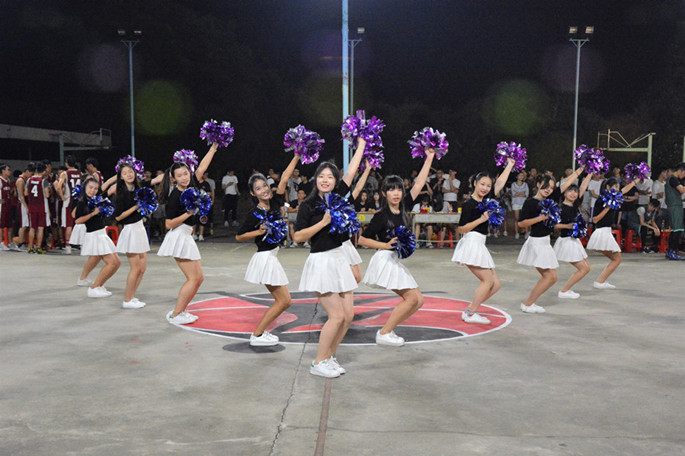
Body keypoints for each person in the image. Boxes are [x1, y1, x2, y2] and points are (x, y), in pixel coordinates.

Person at [292, 138, 366, 378]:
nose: (325, 180)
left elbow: (352, 171)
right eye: (321, 176)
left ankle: (328, 356)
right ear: (316, 179)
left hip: (339, 259)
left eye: (330, 177)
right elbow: (298, 237)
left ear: (336, 181)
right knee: (336, 316)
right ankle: (317, 363)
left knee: (348, 316)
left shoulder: (339, 198)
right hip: (321, 261)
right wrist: (323, 223)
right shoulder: (308, 205)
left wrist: (362, 143)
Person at [358, 149, 436, 343]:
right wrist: (385, 245)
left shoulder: (404, 207)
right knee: (412, 298)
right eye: (391, 190)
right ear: (384, 193)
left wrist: (429, 158)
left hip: (393, 259)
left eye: (399, 189)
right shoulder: (381, 215)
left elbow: (419, 183)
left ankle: (388, 331)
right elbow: (362, 240)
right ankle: (384, 333)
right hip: (384, 259)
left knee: (418, 300)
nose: (396, 193)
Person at [236, 154, 300, 346]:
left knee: (284, 301)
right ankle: (257, 335)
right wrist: (259, 231)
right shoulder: (254, 213)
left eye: (264, 185)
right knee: (284, 301)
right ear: (253, 193)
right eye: (258, 188)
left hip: (271, 256)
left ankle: (259, 334)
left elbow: (285, 177)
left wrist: (297, 155)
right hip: (265, 258)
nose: (263, 189)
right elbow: (239, 236)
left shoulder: (276, 202)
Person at [158, 143, 218, 324]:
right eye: (180, 175)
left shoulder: (190, 186)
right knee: (193, 278)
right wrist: (188, 213)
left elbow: (202, 168)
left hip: (186, 236)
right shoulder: (175, 196)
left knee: (198, 278)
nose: (184, 177)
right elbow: (168, 224)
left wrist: (213, 148)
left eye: (186, 173)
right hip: (178, 236)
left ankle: (181, 311)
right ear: (173, 178)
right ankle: (176, 314)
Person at [451, 159, 515, 323]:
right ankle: (471, 313)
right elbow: (461, 229)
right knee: (488, 281)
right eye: (482, 184)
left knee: (496, 285)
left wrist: (509, 165)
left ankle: (471, 309)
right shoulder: (469, 204)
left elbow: (499, 183)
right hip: (471, 243)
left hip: (480, 243)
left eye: (488, 185)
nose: (485, 188)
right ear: (475, 183)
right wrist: (481, 219)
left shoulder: (486, 200)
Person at [517, 168, 584, 313]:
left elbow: (566, 183)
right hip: (537, 242)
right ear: (538, 184)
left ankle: (529, 304)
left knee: (550, 277)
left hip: (545, 242)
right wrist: (540, 218)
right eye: (546, 186)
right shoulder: (530, 202)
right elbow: (521, 223)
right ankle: (528, 304)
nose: (548, 190)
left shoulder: (551, 200)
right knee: (551, 277)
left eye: (551, 188)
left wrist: (581, 170)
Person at [108, 160, 152, 309]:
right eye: (125, 173)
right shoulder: (121, 194)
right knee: (135, 268)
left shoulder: (139, 190)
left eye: (131, 172)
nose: (129, 175)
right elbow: (118, 217)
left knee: (142, 268)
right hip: (130, 230)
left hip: (140, 229)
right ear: (121, 176)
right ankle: (127, 299)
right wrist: (136, 207)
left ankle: (132, 295)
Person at [586, 176, 639, 287]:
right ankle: (600, 282)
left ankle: (600, 281)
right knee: (617, 259)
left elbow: (626, 189)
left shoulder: (614, 197)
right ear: (607, 187)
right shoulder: (601, 200)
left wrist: (637, 179)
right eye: (615, 186)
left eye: (618, 187)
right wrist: (607, 208)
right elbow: (595, 220)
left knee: (616, 259)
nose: (618, 189)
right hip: (601, 232)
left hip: (606, 231)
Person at [74, 176, 121, 298]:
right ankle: (95, 287)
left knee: (116, 262)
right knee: (112, 263)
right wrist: (93, 213)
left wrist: (119, 175)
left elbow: (109, 186)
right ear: (85, 187)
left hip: (101, 233)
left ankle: (90, 282)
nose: (92, 190)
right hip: (95, 235)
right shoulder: (82, 202)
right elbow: (77, 220)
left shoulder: (96, 199)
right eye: (90, 187)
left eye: (95, 188)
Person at [553, 173, 592, 299]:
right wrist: (567, 226)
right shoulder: (560, 208)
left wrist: (590, 172)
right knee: (584, 269)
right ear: (564, 193)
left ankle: (566, 290)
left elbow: (583, 187)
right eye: (570, 191)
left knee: (586, 268)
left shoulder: (575, 205)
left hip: (574, 241)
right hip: (566, 241)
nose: (573, 194)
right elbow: (553, 225)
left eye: (575, 191)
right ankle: (564, 291)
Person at [54, 156, 82, 255]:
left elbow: (58, 187)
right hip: (78, 201)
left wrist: (62, 197)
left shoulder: (65, 173)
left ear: (66, 163)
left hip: (69, 201)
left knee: (68, 225)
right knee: (79, 224)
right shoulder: (80, 174)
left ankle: (68, 246)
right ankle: (81, 245)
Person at [25, 162, 51, 254]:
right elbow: (47, 195)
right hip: (42, 207)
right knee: (40, 228)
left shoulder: (29, 180)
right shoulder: (44, 181)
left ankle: (30, 247)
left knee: (32, 228)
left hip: (32, 207)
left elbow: (26, 193)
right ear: (43, 171)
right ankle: (38, 247)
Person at [663, 163, 685, 260]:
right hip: (674, 207)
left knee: (676, 230)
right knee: (677, 230)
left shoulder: (673, 179)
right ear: (680, 171)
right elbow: (682, 190)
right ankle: (672, 252)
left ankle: (671, 252)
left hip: (675, 206)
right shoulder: (673, 179)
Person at [0, 164, 17, 251]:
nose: (9, 171)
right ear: (3, 171)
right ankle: (1, 243)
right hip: (1, 207)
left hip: (8, 206)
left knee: (10, 225)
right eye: (8, 169)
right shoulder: (0, 180)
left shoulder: (8, 180)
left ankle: (11, 243)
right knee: (1, 226)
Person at [510, 171, 529, 239]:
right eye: (520, 175)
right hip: (516, 203)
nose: (521, 177)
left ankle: (526, 232)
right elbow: (513, 194)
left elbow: (526, 194)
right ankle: (517, 232)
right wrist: (521, 193)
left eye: (522, 175)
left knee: (525, 217)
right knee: (516, 218)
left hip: (523, 203)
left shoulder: (525, 184)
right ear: (517, 176)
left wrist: (518, 193)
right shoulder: (513, 184)